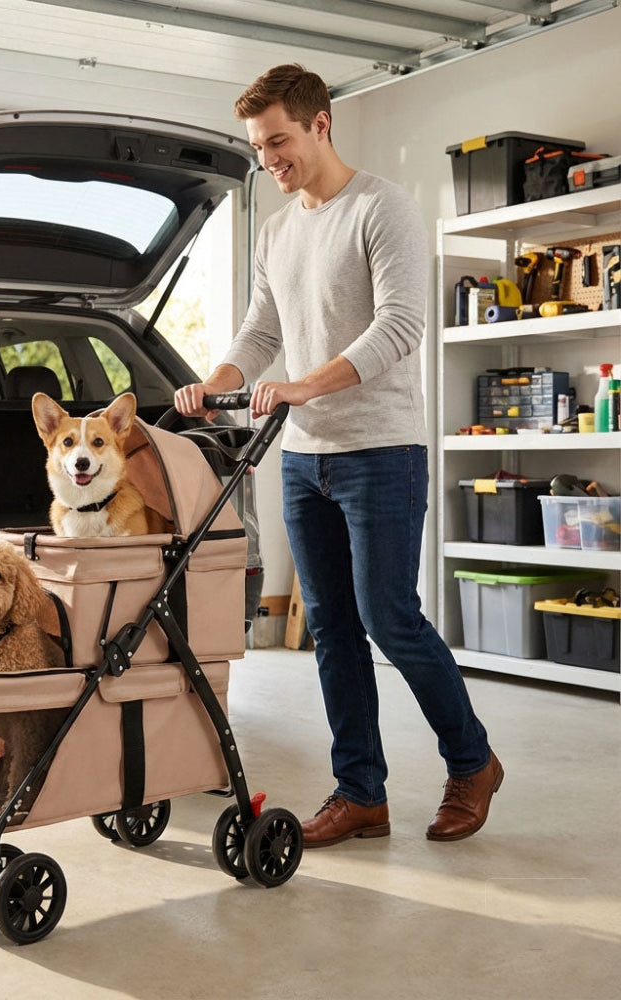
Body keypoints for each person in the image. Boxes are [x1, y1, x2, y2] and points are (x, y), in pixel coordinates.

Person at [174, 64, 502, 846]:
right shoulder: (279, 229)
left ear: (321, 125)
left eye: (279, 141)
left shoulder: (382, 208)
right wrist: (214, 383)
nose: (270, 161)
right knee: (329, 627)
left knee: (390, 616)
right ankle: (361, 793)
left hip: (381, 451)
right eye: (259, 148)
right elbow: (262, 331)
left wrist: (300, 388)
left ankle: (472, 761)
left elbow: (399, 329)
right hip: (304, 460)